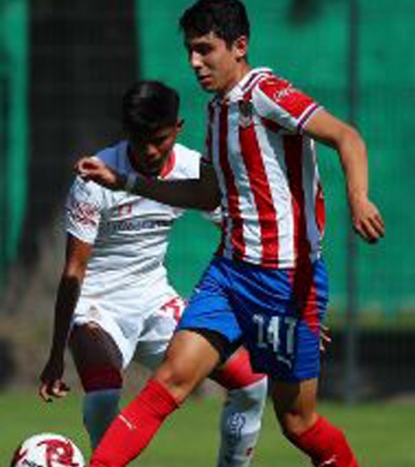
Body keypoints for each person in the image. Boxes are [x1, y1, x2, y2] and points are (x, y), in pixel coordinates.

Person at [76, 1, 385, 466]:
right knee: (170, 382)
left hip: (286, 282)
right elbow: (207, 195)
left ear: (239, 46)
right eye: (189, 51)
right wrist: (126, 182)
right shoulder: (217, 111)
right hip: (230, 275)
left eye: (204, 50)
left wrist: (359, 198)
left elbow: (347, 137)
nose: (194, 62)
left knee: (299, 424)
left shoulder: (268, 93)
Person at [38, 80, 267, 467]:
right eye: (139, 139)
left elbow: (242, 237)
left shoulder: (196, 170)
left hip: (155, 300)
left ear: (177, 128)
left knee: (252, 384)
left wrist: (280, 302)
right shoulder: (94, 178)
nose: (148, 150)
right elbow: (73, 271)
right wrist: (57, 353)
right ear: (125, 131)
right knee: (103, 399)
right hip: (97, 306)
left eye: (158, 139)